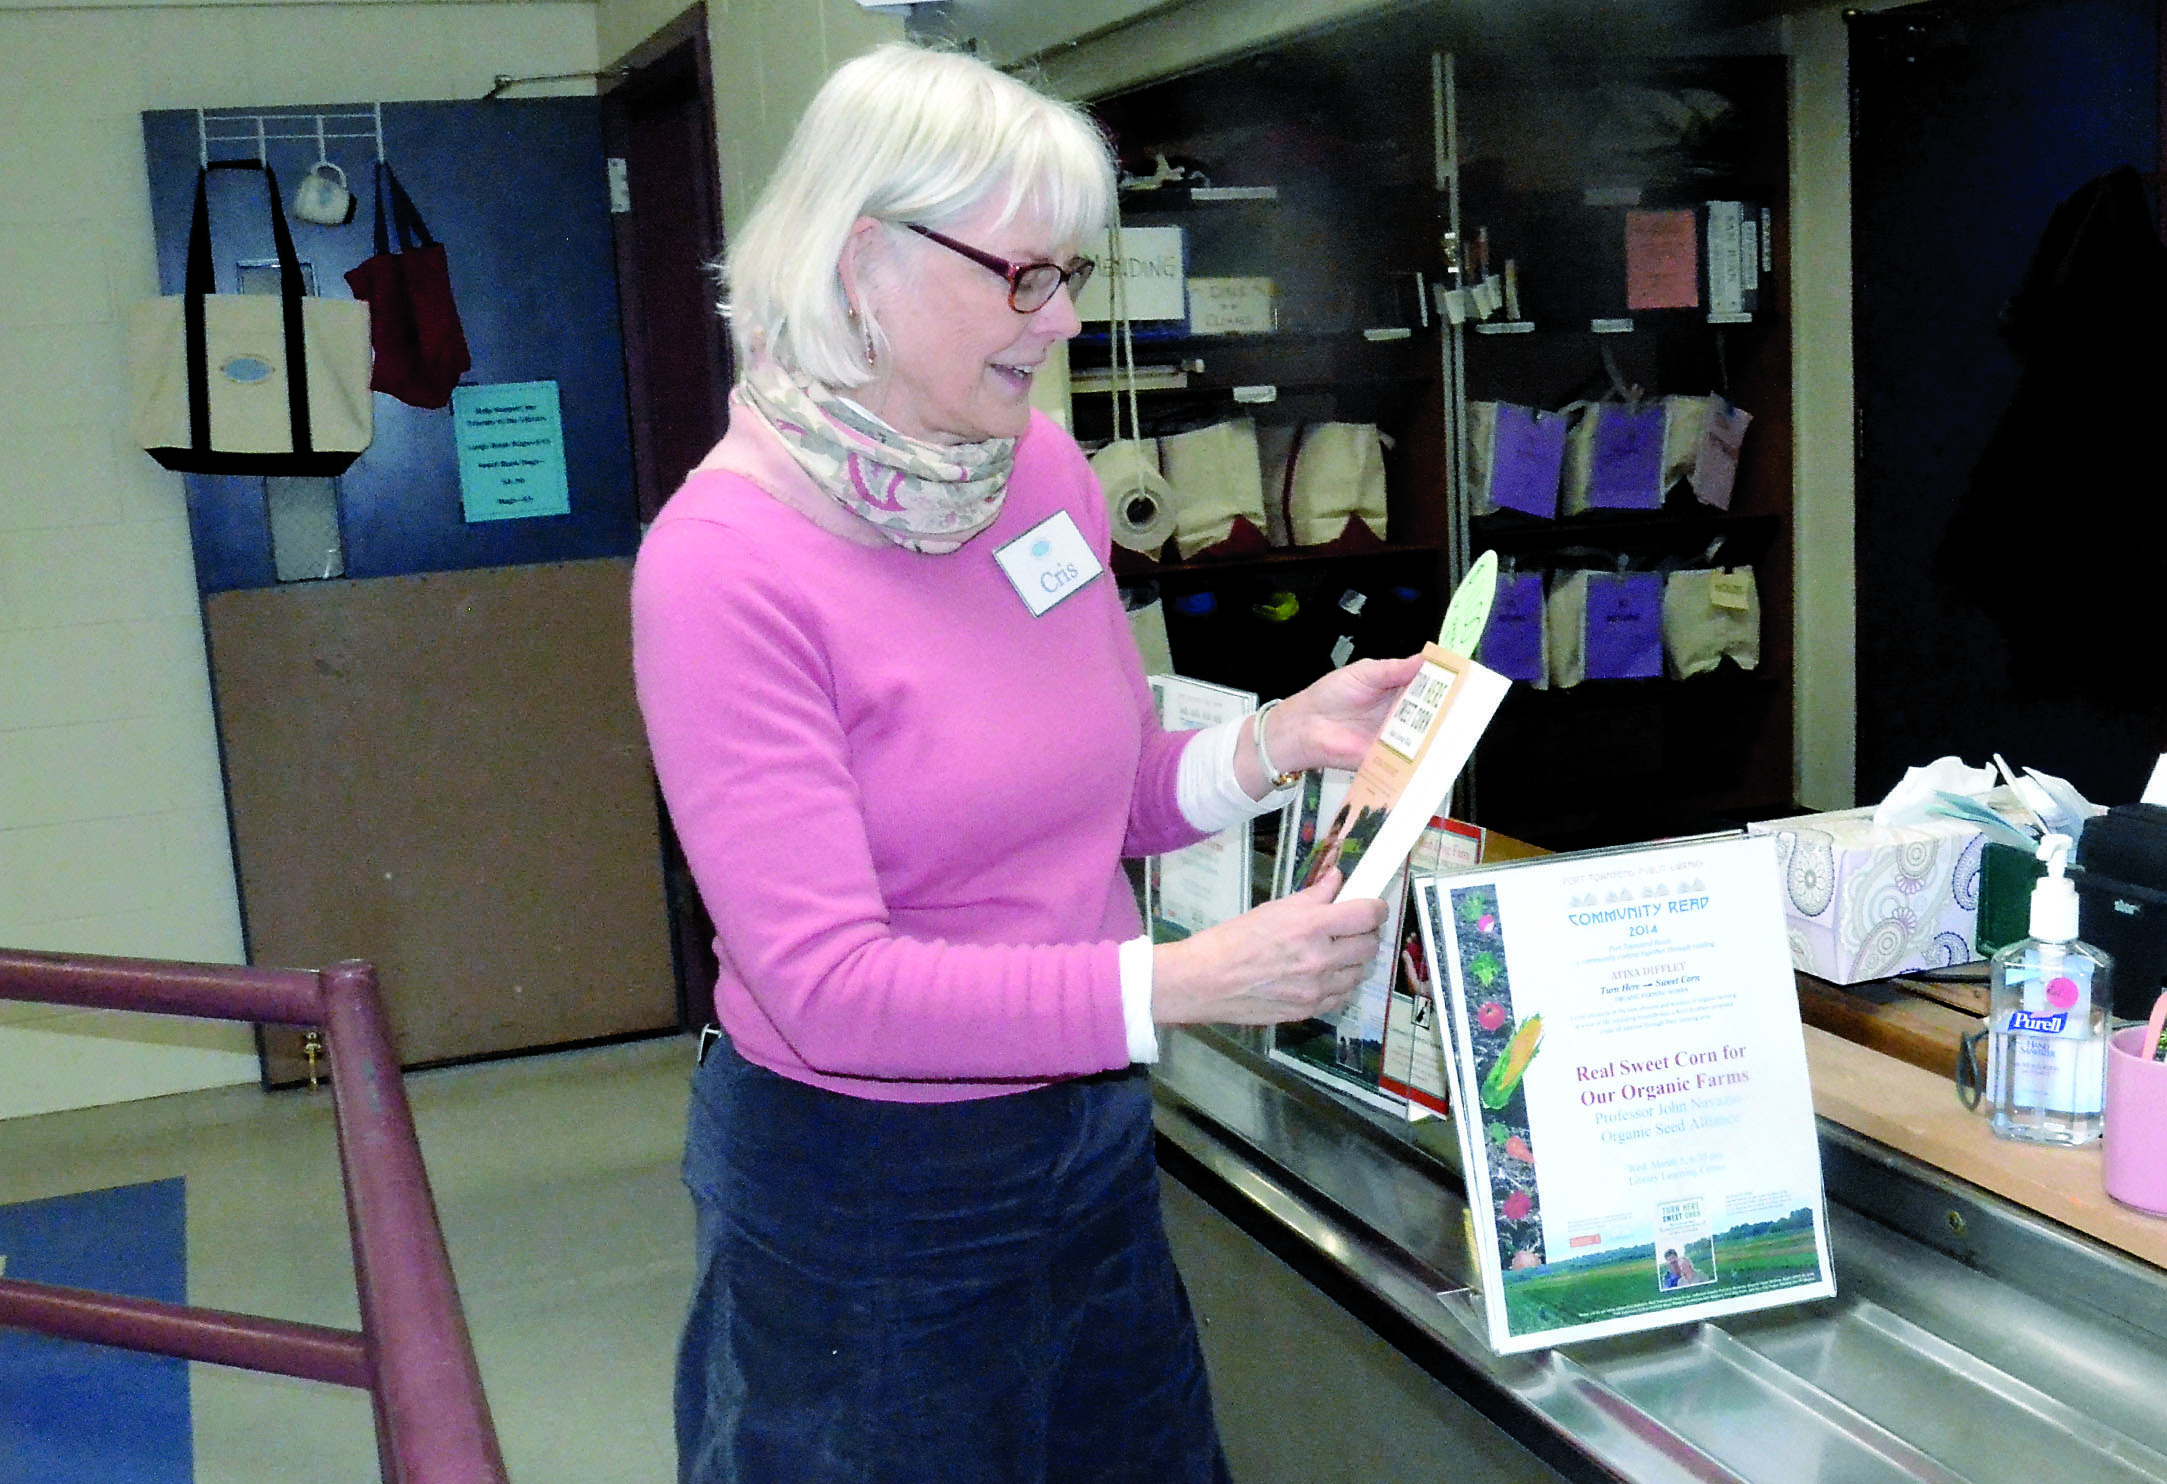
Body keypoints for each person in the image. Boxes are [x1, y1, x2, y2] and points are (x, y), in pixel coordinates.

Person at [630, 42, 1424, 1484]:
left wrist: (1269, 744)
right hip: (865, 1202)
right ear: (863, 259)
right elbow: (829, 989)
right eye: (1023, 278)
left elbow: (1103, 786)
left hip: (1085, 1147)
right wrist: (1178, 985)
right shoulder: (722, 566)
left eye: (1071, 276)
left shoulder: (1035, 476)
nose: (1057, 323)